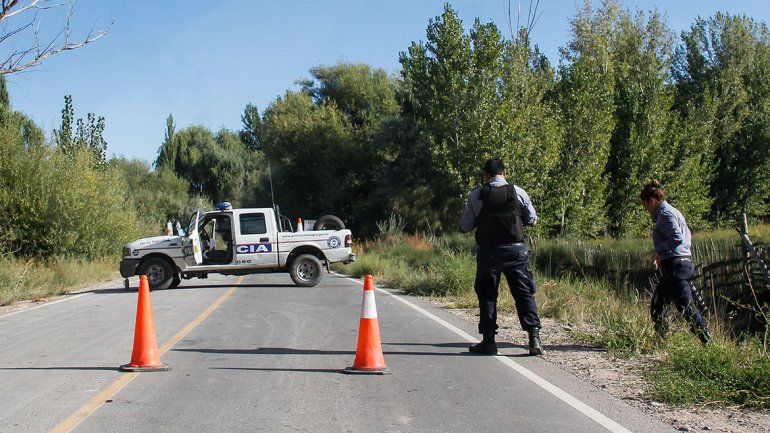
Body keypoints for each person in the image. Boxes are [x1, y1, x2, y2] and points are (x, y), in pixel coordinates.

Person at [460, 157, 543, 356]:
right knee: (524, 293)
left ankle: (489, 341)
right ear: (504, 174)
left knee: (487, 295)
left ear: (486, 175)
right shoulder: (518, 192)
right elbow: (532, 219)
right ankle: (534, 339)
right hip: (516, 250)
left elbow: (466, 226)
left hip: (489, 252)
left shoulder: (476, 195)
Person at [640, 180, 710, 344]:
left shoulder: (665, 214)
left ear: (652, 200)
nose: (646, 209)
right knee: (659, 303)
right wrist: (661, 254)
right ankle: (662, 342)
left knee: (686, 308)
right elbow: (686, 236)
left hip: (676, 266)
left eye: (645, 205)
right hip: (678, 264)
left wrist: (659, 250)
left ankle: (707, 340)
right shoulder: (673, 212)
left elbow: (677, 237)